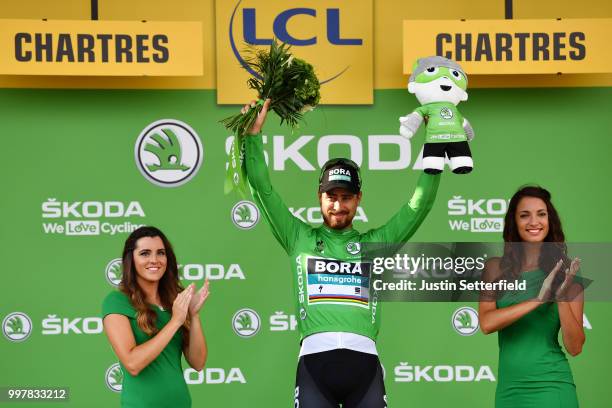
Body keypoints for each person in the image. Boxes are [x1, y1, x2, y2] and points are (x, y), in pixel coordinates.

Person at [242, 99, 441, 407]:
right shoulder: (298, 237)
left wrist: (434, 142)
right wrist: (253, 136)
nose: (338, 205)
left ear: (358, 198)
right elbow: (261, 187)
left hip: (365, 364)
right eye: (331, 196)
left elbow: (420, 205)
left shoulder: (376, 244)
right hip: (313, 364)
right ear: (319, 197)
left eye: (346, 197)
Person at [478, 186, 585, 408]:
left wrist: (561, 296)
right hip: (510, 391)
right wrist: (537, 300)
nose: (534, 222)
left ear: (549, 220)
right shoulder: (494, 268)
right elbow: (487, 323)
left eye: (541, 214)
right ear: (514, 223)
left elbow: (575, 347)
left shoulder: (567, 273)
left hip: (553, 386)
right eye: (524, 215)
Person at [102, 226, 209, 408]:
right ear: (131, 260)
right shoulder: (117, 301)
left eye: (161, 253)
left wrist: (193, 315)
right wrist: (176, 321)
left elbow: (198, 363)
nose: (154, 260)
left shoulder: (174, 303)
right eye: (145, 253)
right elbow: (132, 363)